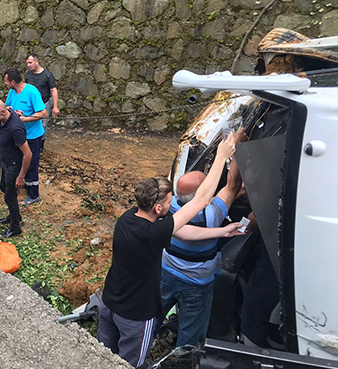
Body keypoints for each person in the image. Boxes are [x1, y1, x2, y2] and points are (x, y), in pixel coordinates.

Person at [97, 135, 244, 368]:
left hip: (110, 301)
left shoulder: (129, 217)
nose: (172, 205)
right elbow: (203, 199)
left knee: (101, 352)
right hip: (135, 315)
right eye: (168, 202)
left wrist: (221, 232)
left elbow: (182, 232)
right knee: (130, 363)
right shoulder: (155, 233)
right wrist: (221, 157)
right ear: (157, 208)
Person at [158, 136, 245, 348]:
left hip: (165, 273)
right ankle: (182, 359)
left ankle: (140, 346)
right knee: (191, 329)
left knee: (153, 314)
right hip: (196, 284)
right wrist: (238, 146)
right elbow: (232, 185)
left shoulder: (169, 208)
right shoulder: (211, 215)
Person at [0, 99, 32, 238]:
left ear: (2, 112)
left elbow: (28, 154)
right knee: (4, 188)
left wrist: (21, 176)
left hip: (14, 166)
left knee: (10, 196)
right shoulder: (4, 117)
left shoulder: (15, 128)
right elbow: (1, 136)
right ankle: (14, 215)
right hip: (6, 162)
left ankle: (15, 227)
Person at [3, 68, 47, 206]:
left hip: (32, 135)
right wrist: (13, 112)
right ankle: (24, 183)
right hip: (18, 135)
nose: (5, 84)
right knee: (21, 161)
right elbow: (7, 107)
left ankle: (34, 194)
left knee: (32, 162)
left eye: (6, 81)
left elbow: (43, 113)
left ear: (12, 81)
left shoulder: (32, 92)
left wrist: (24, 119)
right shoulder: (12, 92)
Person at [25, 54, 59, 145]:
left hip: (43, 103)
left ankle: (40, 145)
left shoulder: (47, 75)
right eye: (27, 63)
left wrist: (55, 106)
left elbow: (53, 90)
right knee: (30, 123)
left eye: (30, 63)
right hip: (30, 104)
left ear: (37, 62)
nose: (28, 65)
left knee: (43, 125)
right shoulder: (28, 74)